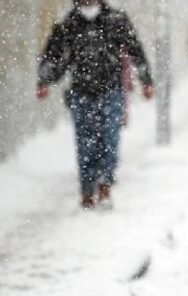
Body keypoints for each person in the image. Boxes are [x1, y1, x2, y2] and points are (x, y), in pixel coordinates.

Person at [36, 0, 154, 210]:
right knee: (85, 142)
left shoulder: (116, 20)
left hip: (111, 90)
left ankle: (105, 183)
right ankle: (87, 188)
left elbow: (136, 50)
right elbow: (53, 56)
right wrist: (44, 81)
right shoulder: (69, 24)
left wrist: (146, 80)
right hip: (81, 92)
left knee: (109, 138)